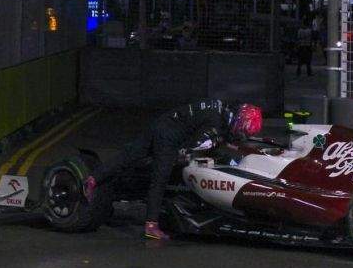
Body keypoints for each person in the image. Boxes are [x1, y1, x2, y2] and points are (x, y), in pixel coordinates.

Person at [84, 99, 263, 240]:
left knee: (128, 155)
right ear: (239, 121)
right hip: (169, 136)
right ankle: (151, 225)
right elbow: (195, 147)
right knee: (161, 177)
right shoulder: (214, 124)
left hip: (164, 122)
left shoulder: (222, 109)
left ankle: (93, 179)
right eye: (243, 132)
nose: (242, 136)